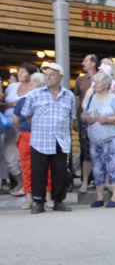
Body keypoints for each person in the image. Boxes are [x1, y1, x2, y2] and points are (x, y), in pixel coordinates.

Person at [20, 63, 78, 213]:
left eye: (52, 74)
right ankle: (38, 202)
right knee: (39, 172)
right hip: (40, 139)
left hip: (61, 139)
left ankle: (58, 201)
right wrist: (38, 125)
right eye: (46, 74)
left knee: (60, 173)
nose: (48, 77)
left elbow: (72, 117)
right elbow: (26, 114)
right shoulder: (34, 94)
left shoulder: (69, 95)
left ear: (61, 77)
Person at [82, 71, 115, 208]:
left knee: (113, 166)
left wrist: (108, 119)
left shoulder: (113, 99)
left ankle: (114, 197)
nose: (95, 84)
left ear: (107, 84)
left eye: (98, 82)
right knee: (97, 168)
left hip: (110, 138)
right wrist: (86, 118)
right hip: (95, 139)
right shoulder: (90, 98)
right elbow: (83, 114)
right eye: (94, 82)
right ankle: (99, 197)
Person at [12, 72, 53, 210]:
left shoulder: (47, 100)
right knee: (27, 168)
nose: (30, 83)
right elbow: (16, 121)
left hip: (43, 136)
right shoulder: (22, 101)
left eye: (34, 81)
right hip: (26, 136)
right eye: (30, 81)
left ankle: (47, 198)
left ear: (42, 86)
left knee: (46, 168)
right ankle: (29, 199)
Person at [1, 62, 38, 197]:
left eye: (23, 72)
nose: (19, 74)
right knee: (10, 156)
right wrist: (10, 104)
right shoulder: (11, 87)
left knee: (26, 158)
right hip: (9, 125)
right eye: (19, 71)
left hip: (26, 127)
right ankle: (20, 182)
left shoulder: (35, 86)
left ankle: (28, 185)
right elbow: (2, 104)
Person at [74, 54, 98, 193]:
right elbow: (77, 100)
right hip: (85, 119)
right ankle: (85, 181)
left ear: (93, 63)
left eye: (86, 61)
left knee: (101, 151)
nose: (83, 63)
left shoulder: (103, 77)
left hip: (101, 119)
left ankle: (100, 180)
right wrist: (76, 118)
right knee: (86, 151)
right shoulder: (80, 79)